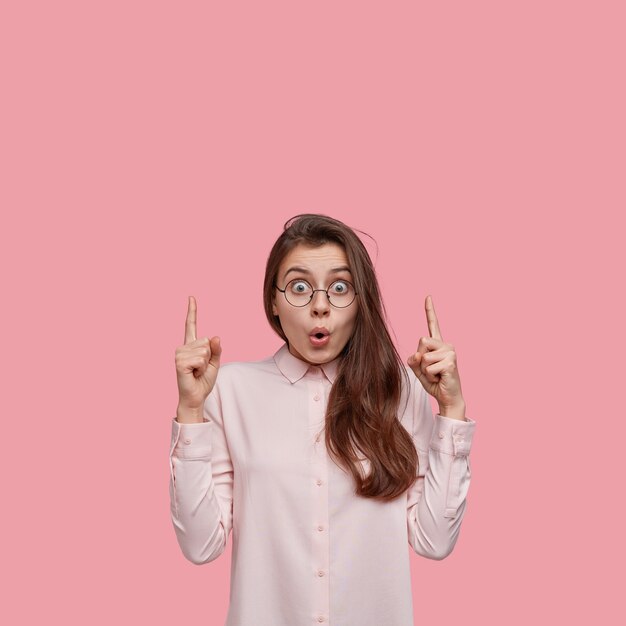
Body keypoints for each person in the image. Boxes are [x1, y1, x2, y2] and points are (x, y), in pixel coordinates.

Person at [169, 213, 476, 626]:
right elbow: (200, 545)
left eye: (339, 287)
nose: (319, 306)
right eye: (299, 287)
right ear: (273, 302)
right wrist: (190, 413)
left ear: (360, 300)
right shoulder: (228, 390)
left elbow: (434, 540)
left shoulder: (403, 389)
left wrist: (451, 413)